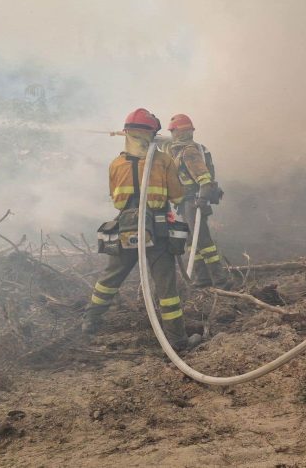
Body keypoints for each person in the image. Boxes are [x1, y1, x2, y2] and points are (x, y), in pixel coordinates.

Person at [84, 108, 201, 351]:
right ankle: (178, 341)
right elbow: (177, 195)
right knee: (166, 287)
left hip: (125, 228)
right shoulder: (164, 160)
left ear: (127, 133)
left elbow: (115, 198)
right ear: (152, 134)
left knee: (110, 278)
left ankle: (90, 322)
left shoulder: (116, 164)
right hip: (158, 232)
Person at [164, 113, 229, 288]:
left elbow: (204, 179)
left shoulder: (189, 151)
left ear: (178, 133)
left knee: (203, 241)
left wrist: (201, 200)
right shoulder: (179, 151)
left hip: (194, 201)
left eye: (173, 132)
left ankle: (220, 279)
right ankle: (203, 278)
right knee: (192, 241)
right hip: (186, 202)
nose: (172, 136)